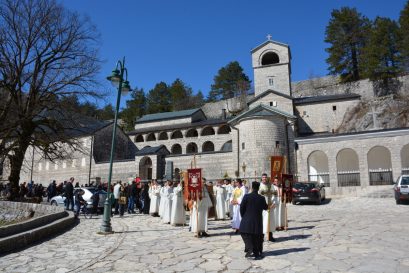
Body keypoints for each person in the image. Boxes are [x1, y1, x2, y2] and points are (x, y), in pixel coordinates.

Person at [240, 181, 268, 259]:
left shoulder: (246, 196)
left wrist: (244, 217)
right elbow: (266, 207)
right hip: (257, 221)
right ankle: (256, 251)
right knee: (256, 237)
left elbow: (241, 208)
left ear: (252, 188)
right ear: (258, 188)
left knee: (244, 233)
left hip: (247, 220)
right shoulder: (261, 198)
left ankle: (250, 248)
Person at [259, 173, 277, 242]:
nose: (264, 178)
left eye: (265, 177)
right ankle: (262, 236)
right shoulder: (259, 186)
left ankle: (270, 236)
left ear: (267, 178)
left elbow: (274, 194)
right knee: (263, 221)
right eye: (263, 177)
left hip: (270, 206)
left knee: (270, 221)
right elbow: (258, 195)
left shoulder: (271, 185)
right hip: (262, 207)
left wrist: (273, 203)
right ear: (261, 178)